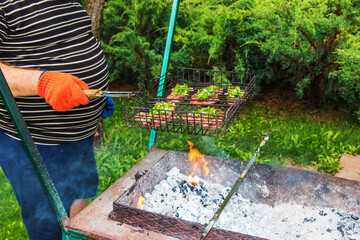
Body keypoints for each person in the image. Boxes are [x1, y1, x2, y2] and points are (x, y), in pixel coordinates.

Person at [0, 0, 112, 239]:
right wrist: (41, 82)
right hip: (36, 144)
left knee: (77, 206)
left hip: (79, 137)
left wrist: (97, 96)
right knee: (48, 223)